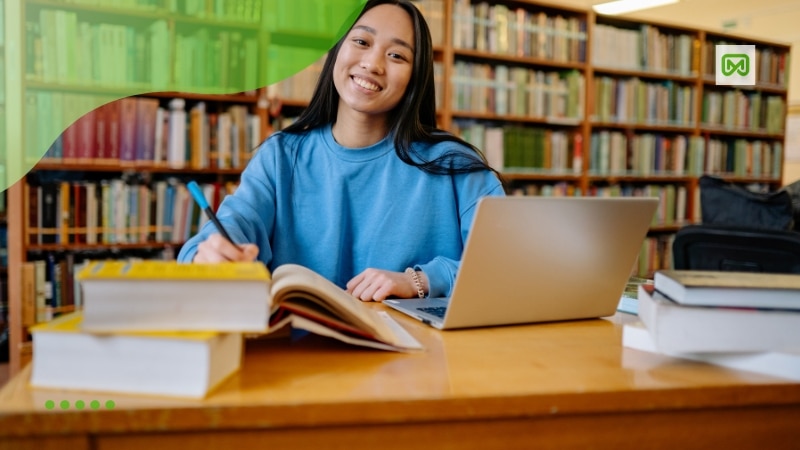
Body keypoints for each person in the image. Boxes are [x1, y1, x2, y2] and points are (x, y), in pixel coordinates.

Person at [177, 0, 505, 301]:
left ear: (415, 77)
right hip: (301, 356)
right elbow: (235, 223)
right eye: (361, 42)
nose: (373, 64)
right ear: (336, 51)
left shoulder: (456, 166)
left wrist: (420, 280)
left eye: (397, 55)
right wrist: (209, 252)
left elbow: (507, 267)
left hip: (421, 359)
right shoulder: (280, 157)